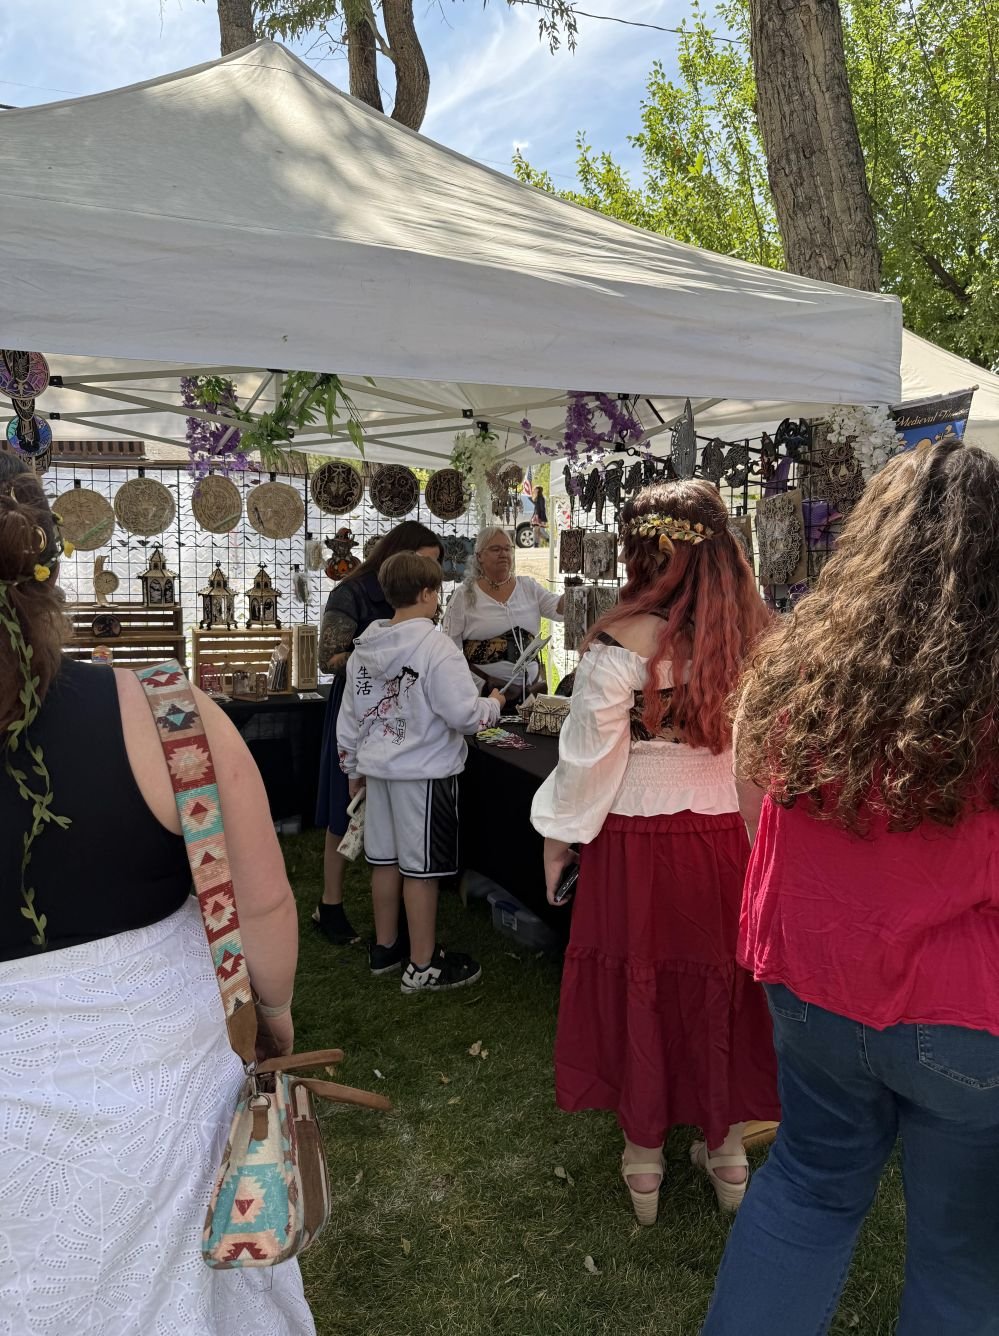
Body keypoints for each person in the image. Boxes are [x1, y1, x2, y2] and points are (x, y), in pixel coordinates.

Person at [0, 455, 314, 1334]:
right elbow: (263, 904)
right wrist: (275, 1015)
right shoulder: (168, 713)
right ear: (49, 559)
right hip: (160, 1084)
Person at [702, 441, 999, 1336]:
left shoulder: (802, 673)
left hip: (814, 987)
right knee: (961, 1254)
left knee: (808, 1190)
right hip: (960, 1018)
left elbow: (758, 816)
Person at [532, 480, 779, 1226]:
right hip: (719, 843)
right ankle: (726, 1145)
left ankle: (644, 1155)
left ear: (641, 553)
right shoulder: (758, 637)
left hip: (633, 842)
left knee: (639, 981)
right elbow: (760, 768)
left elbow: (586, 761)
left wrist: (557, 838)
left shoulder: (618, 643)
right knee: (715, 986)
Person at [337, 552, 505, 992]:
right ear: (428, 593)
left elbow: (349, 719)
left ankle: (386, 947)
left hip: (379, 772)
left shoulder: (364, 649)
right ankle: (423, 964)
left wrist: (353, 768)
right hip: (424, 774)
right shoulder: (435, 647)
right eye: (437, 592)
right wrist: (495, 705)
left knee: (386, 862)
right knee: (421, 869)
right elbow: (464, 715)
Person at [314, 520, 443, 946]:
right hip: (360, 706)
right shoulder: (349, 591)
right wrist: (385, 654)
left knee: (387, 819)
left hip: (401, 711)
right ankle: (330, 904)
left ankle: (397, 913)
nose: (434, 576)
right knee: (346, 807)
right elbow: (327, 656)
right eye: (427, 563)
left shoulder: (416, 600)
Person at [441, 525, 564, 699]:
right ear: (479, 556)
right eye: (495, 549)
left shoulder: (528, 587)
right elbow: (448, 648)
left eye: (508, 549)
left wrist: (576, 593)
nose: (504, 554)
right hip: (484, 694)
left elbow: (557, 608)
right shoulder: (464, 596)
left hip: (531, 694)